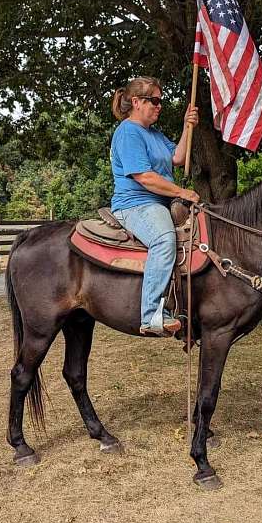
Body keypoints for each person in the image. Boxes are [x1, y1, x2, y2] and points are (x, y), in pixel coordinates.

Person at [110, 76, 200, 337]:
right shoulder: (128, 132)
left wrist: (187, 126)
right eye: (155, 101)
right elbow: (145, 177)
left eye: (161, 101)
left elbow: (178, 158)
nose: (160, 106)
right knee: (163, 239)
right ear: (136, 102)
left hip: (162, 203)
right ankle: (151, 315)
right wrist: (182, 191)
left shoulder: (154, 134)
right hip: (136, 204)